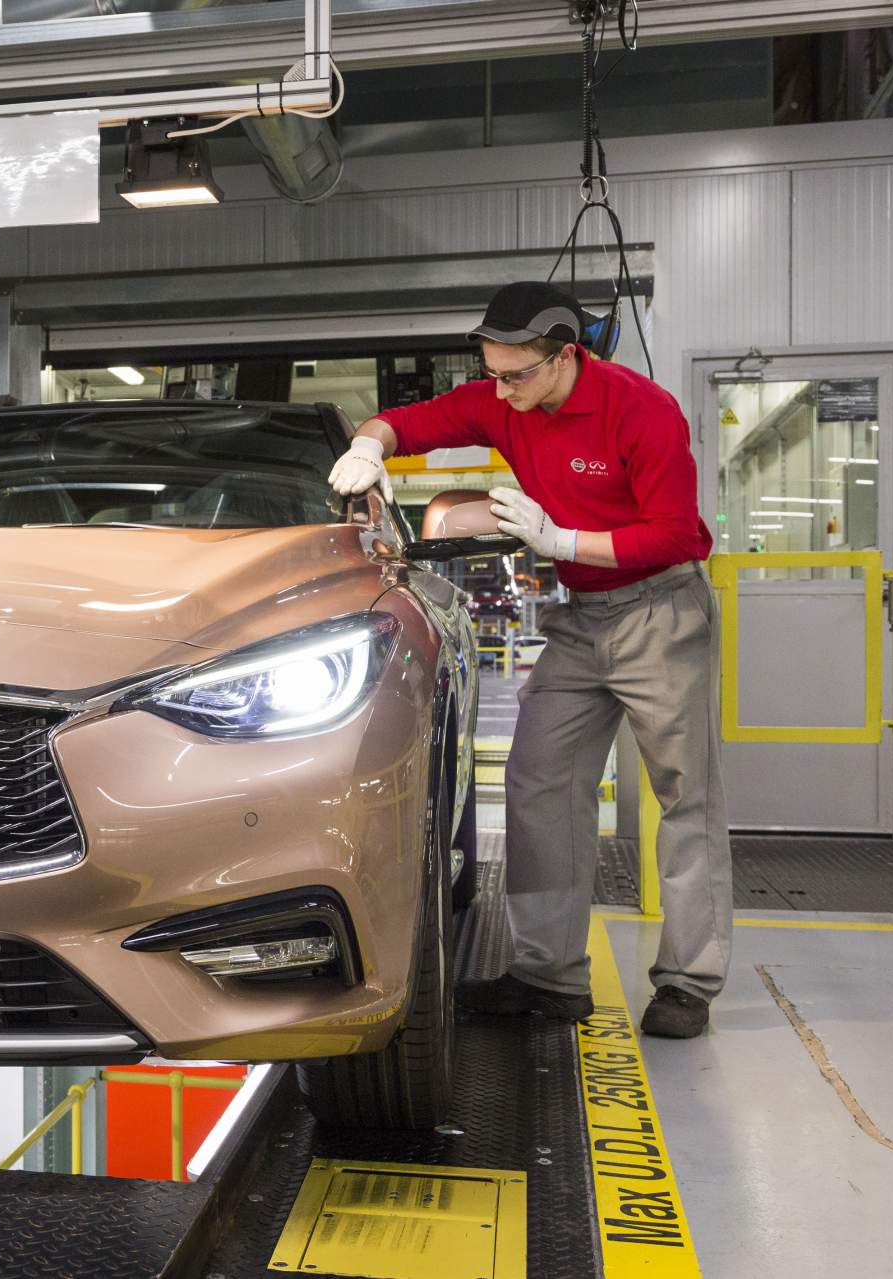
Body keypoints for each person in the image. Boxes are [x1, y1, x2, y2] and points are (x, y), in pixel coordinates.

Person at [328, 281, 730, 1039]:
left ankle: (687, 980)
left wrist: (561, 542)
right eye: (493, 373)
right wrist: (367, 444)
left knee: (686, 794)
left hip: (661, 607)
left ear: (564, 355)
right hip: (585, 617)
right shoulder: (499, 399)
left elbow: (676, 533)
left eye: (516, 375)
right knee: (538, 775)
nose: (501, 391)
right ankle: (549, 974)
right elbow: (406, 422)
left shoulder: (642, 410)